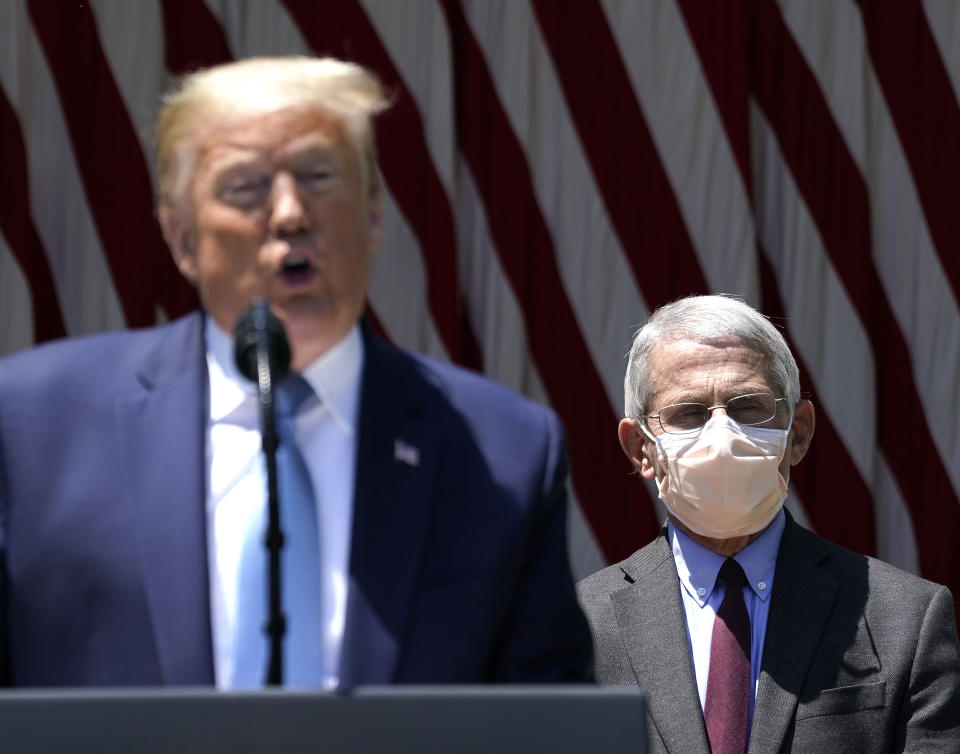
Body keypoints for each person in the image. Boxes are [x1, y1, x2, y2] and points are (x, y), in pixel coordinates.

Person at [0, 57, 592, 688]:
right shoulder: (31, 427)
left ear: (373, 215)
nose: (289, 214)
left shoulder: (504, 452)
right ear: (180, 239)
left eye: (318, 176)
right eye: (245, 186)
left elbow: (548, 720)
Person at [577, 295, 960, 753]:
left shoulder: (904, 617)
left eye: (747, 408)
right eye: (689, 413)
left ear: (796, 434)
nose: (722, 437)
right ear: (641, 448)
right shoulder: (578, 627)